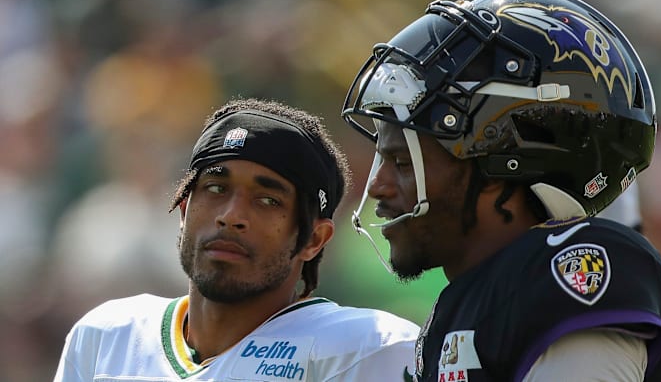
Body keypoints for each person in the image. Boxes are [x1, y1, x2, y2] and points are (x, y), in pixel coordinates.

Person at [341, 0, 661, 382]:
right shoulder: (458, 309)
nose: (378, 186)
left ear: (498, 159)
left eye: (402, 162)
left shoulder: (564, 267)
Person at [53, 97, 420, 381]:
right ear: (184, 211)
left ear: (314, 238)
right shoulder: (107, 337)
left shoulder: (369, 350)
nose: (230, 216)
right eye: (215, 187)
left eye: (267, 200)